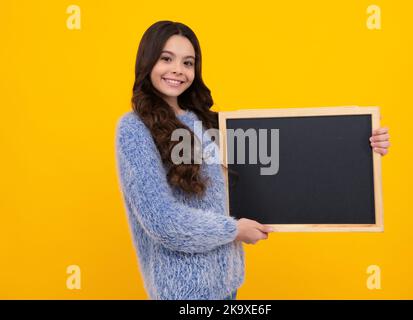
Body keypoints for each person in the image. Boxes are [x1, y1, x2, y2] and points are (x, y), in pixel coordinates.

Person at [115, 20, 390, 300]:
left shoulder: (206, 121)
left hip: (227, 285)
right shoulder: (134, 129)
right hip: (183, 292)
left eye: (188, 62)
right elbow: (161, 220)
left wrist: (361, 145)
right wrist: (234, 229)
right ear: (147, 62)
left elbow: (293, 158)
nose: (178, 70)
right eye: (166, 58)